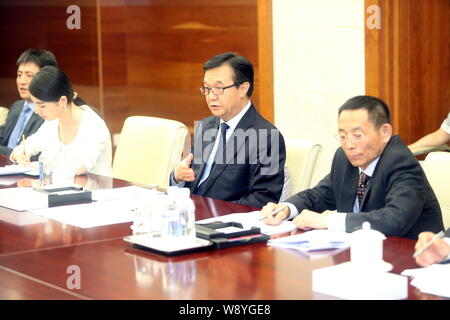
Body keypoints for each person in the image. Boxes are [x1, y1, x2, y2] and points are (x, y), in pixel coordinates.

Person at [261, 95, 444, 239]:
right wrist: (286, 208)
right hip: (360, 254)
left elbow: (394, 219)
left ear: (385, 132)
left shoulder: (401, 162)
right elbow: (319, 195)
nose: (349, 144)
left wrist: (327, 220)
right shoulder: (344, 158)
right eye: (342, 136)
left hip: (412, 259)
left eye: (357, 135)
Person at [170, 52, 286, 208]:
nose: (211, 97)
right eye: (206, 88)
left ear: (243, 89)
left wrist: (211, 213)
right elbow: (192, 180)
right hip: (190, 214)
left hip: (222, 223)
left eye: (218, 88)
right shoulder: (206, 126)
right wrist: (177, 177)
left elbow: (262, 199)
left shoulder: (267, 137)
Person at [10, 66, 112, 177]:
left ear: (62, 101)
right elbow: (25, 147)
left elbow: (80, 167)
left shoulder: (94, 126)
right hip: (55, 189)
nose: (36, 111)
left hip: (92, 190)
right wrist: (20, 154)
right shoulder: (52, 122)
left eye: (42, 105)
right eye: (34, 104)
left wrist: (42, 167)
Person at [0, 49, 57, 157]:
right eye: (19, 75)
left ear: (46, 78)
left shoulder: (49, 112)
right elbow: (3, 136)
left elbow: (30, 155)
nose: (22, 81)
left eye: (29, 75)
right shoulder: (17, 106)